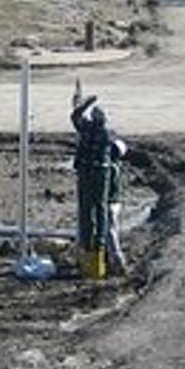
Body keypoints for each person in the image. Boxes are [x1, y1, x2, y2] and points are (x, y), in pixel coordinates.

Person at [71, 83, 126, 280]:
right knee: (100, 214)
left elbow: (76, 118)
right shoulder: (107, 137)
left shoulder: (90, 131)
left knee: (88, 212)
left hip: (86, 174)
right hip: (97, 179)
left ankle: (90, 247)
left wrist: (82, 105)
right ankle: (103, 254)